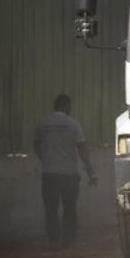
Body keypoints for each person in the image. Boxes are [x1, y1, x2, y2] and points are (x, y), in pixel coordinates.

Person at [34, 94, 96, 249]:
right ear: (66, 106)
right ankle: (68, 241)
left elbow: (36, 145)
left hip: (49, 174)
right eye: (70, 106)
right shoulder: (73, 124)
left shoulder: (43, 123)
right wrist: (90, 172)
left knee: (51, 209)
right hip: (69, 174)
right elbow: (82, 149)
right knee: (69, 207)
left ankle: (53, 241)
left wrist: (45, 160)